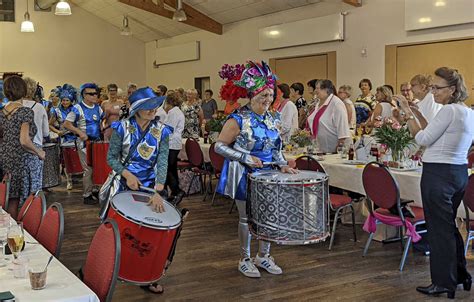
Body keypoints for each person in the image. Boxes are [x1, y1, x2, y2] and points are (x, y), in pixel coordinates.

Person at [395, 67, 473, 299]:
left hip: (438, 174)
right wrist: (418, 115)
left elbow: (422, 138)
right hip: (458, 172)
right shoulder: (466, 111)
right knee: (448, 227)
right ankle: (459, 275)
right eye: (432, 87)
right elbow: (435, 132)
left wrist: (407, 112)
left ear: (452, 90)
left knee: (439, 231)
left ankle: (443, 282)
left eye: (437, 88)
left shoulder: (448, 111)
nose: (433, 92)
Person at [215, 61, 297, 278]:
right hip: (244, 174)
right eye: (263, 96)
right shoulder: (238, 119)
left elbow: (276, 146)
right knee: (247, 218)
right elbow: (219, 146)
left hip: (269, 175)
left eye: (270, 95)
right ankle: (245, 258)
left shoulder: (273, 118)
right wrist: (245, 156)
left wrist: (282, 164)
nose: (268, 100)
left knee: (269, 216)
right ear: (251, 96)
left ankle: (264, 256)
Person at [106, 87, 176, 294]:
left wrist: (159, 190)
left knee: (149, 232)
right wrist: (127, 174)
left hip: (149, 188)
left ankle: (147, 275)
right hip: (122, 185)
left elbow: (162, 161)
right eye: (147, 106)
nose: (152, 110)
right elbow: (111, 158)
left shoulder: (162, 130)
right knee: (114, 230)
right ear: (136, 109)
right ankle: (106, 269)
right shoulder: (121, 128)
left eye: (155, 105)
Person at [0, 76, 45, 219]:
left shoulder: (1, 113)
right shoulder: (25, 112)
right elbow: (24, 140)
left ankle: (10, 231)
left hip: (4, 159)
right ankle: (22, 232)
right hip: (20, 161)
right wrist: (39, 152)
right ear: (23, 90)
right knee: (27, 200)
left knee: (10, 198)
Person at [64, 83, 104, 205]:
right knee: (88, 169)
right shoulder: (77, 108)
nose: (93, 96)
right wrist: (79, 132)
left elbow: (102, 121)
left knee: (97, 167)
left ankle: (95, 190)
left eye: (95, 93)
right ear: (83, 95)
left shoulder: (98, 107)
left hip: (97, 143)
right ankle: (87, 194)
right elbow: (67, 124)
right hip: (84, 143)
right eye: (90, 93)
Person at [22, 77, 50, 194]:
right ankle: (32, 210)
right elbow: (46, 132)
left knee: (21, 186)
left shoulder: (12, 106)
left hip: (17, 148)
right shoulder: (39, 107)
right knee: (35, 185)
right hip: (36, 148)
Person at [306, 80, 350, 153]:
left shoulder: (336, 104)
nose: (315, 91)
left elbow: (343, 131)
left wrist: (337, 151)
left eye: (317, 88)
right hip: (318, 149)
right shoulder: (318, 102)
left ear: (326, 90)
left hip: (332, 151)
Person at [50, 84, 78, 190]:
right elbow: (50, 124)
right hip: (63, 139)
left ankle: (77, 177)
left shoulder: (75, 110)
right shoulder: (56, 111)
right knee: (65, 161)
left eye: (67, 100)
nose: (65, 102)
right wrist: (57, 132)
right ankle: (69, 180)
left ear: (71, 100)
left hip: (75, 138)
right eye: (63, 100)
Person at [163, 90, 186, 205]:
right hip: (174, 143)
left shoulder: (173, 112)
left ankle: (177, 191)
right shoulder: (176, 112)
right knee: (171, 169)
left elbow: (168, 129)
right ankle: (174, 193)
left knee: (167, 169)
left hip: (171, 143)